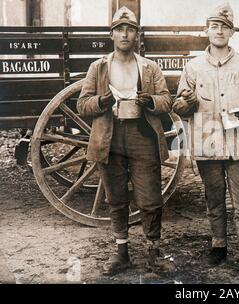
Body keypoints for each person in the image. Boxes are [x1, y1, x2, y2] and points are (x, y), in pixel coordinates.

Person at [172, 3, 239, 280]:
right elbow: (180, 107)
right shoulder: (193, 67)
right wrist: (186, 102)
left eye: (224, 27)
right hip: (208, 144)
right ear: (207, 30)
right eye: (214, 26)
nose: (219, 31)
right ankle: (219, 245)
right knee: (214, 199)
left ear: (231, 32)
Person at [77, 6, 173, 275]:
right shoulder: (98, 68)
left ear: (137, 35)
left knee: (151, 199)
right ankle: (122, 254)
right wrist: (101, 101)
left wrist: (150, 101)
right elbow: (82, 105)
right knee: (116, 199)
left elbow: (167, 101)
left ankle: (154, 253)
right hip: (109, 138)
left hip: (143, 136)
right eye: (119, 29)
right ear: (111, 35)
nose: (125, 34)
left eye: (130, 29)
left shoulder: (150, 68)